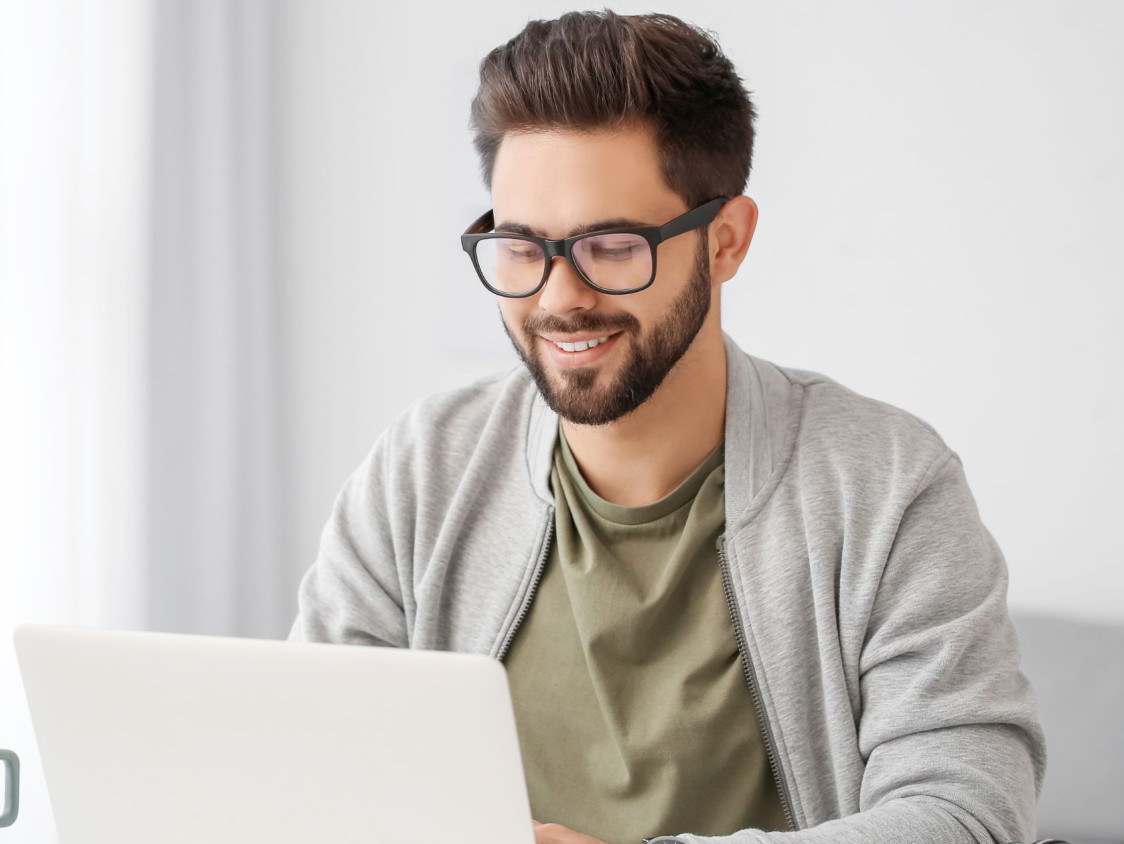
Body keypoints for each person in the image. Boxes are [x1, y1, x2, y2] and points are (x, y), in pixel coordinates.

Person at [288, 10, 1045, 844]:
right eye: (520, 247)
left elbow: (967, 815)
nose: (556, 298)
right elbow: (313, 761)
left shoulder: (890, 489)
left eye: (611, 246)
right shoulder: (425, 470)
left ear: (725, 240)